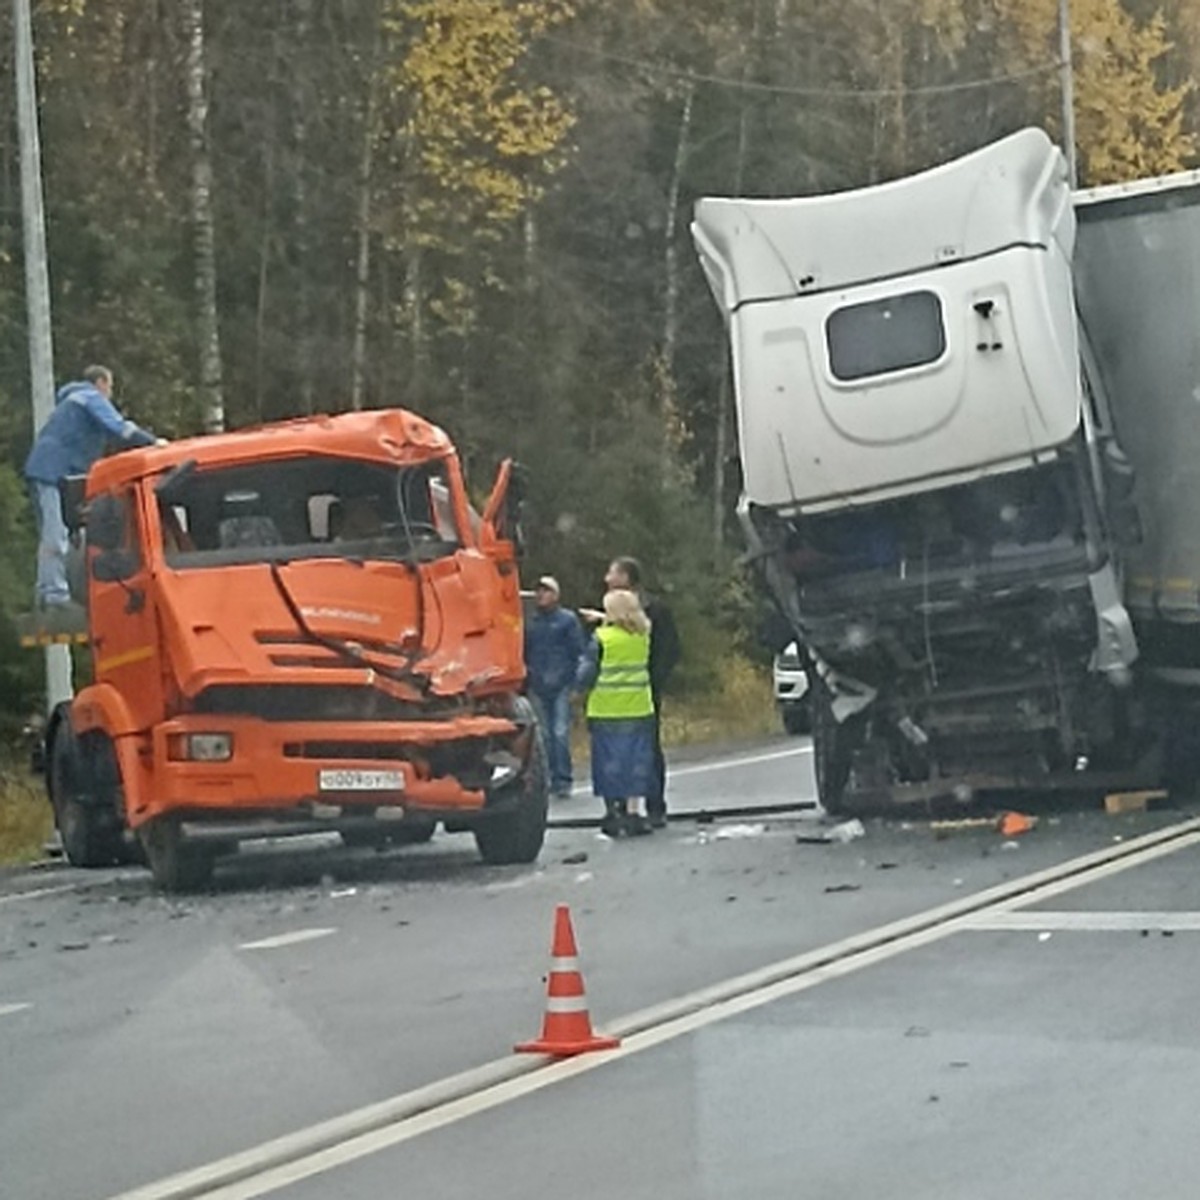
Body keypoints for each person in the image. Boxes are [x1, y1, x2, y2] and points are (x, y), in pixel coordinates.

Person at [23, 365, 159, 608]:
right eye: (110, 387)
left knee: (53, 533)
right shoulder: (89, 397)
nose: (110, 394)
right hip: (52, 472)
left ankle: (46, 592)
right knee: (55, 534)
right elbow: (120, 427)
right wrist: (154, 444)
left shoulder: (72, 404)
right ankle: (54, 595)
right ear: (100, 383)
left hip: (48, 470)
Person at [603, 556, 680, 828]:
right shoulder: (610, 611)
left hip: (644, 690)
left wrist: (654, 679)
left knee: (647, 748)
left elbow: (669, 648)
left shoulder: (654, 609)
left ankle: (655, 805)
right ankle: (622, 807)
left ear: (626, 577)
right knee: (619, 751)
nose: (607, 579)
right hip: (614, 696)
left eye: (612, 573)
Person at [578, 588, 656, 837]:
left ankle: (614, 811)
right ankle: (634, 811)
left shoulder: (601, 638)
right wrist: (602, 616)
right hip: (640, 708)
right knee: (636, 761)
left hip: (607, 709)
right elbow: (626, 624)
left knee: (609, 762)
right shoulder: (642, 635)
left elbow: (586, 674)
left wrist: (576, 688)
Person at [523, 575, 585, 799]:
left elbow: (578, 652)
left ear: (556, 595)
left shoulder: (567, 620)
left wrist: (575, 683)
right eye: (539, 591)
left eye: (547, 591)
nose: (542, 595)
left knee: (560, 733)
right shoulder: (531, 622)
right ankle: (547, 778)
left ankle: (563, 779)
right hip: (538, 683)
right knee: (544, 735)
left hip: (561, 684)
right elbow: (525, 652)